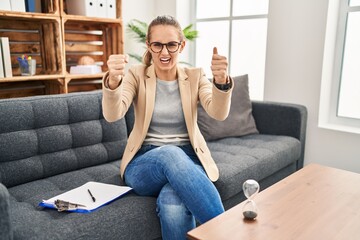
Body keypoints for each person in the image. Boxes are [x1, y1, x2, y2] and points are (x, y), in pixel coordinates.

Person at [102, 15, 233, 240]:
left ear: (181, 45)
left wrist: (220, 81)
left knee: (173, 202)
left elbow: (218, 113)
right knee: (171, 153)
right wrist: (113, 81)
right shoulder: (136, 74)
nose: (164, 53)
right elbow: (113, 114)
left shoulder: (195, 76)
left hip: (189, 160)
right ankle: (227, 235)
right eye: (157, 45)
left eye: (171, 45)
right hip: (143, 164)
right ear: (149, 46)